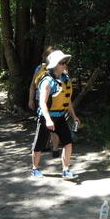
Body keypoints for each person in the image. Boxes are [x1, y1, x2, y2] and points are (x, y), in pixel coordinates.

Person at [31, 50, 80, 180]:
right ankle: (35, 169)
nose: (65, 64)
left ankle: (66, 170)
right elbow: (42, 102)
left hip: (60, 117)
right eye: (62, 62)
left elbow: (67, 99)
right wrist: (47, 119)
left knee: (68, 143)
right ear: (55, 65)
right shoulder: (47, 81)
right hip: (46, 117)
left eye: (65, 62)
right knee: (39, 145)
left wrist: (74, 115)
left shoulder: (65, 79)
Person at [28, 46, 60, 158]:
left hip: (56, 100)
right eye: (48, 55)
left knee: (54, 124)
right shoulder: (39, 69)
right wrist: (31, 99)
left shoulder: (60, 67)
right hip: (40, 99)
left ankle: (55, 149)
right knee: (42, 124)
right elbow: (32, 85)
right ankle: (43, 146)